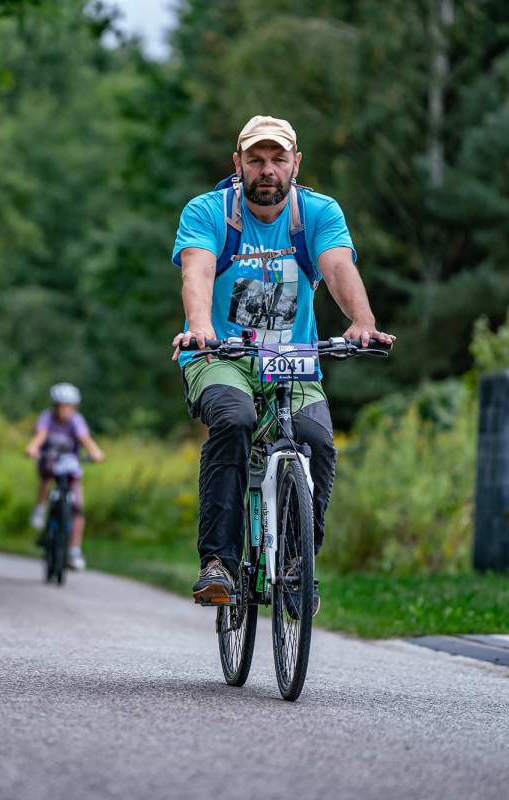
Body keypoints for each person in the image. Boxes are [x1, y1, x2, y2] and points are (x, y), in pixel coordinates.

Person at [171, 115, 395, 611]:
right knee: (234, 419)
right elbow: (197, 271)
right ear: (238, 164)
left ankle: (297, 567)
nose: (267, 170)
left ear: (296, 163)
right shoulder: (209, 212)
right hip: (221, 354)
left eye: (277, 159)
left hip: (291, 360)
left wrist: (361, 320)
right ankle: (219, 565)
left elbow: (337, 265)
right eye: (256, 159)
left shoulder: (317, 212)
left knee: (316, 441)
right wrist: (200, 326)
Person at [25, 383, 104, 570]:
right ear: (54, 406)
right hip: (50, 460)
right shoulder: (47, 418)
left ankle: (74, 550)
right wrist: (33, 447)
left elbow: (85, 439)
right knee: (45, 476)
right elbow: (40, 435)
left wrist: (95, 452)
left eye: (68, 406)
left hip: (70, 465)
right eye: (61, 405)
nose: (64, 410)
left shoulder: (76, 421)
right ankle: (40, 508)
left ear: (74, 407)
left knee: (78, 507)